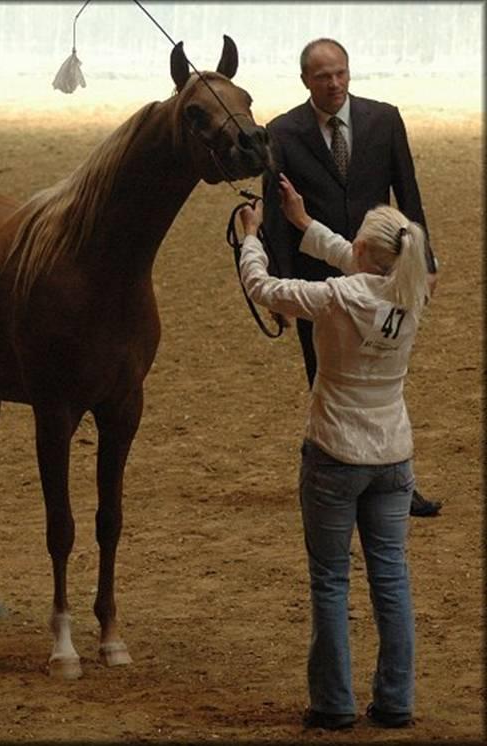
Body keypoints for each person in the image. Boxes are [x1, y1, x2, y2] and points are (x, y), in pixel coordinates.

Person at [238, 174, 436, 730]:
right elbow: (355, 260)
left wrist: (253, 236)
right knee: (391, 577)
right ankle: (395, 700)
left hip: (334, 450)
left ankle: (333, 702)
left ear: (368, 252)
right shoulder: (412, 290)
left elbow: (264, 287)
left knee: (330, 579)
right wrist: (302, 222)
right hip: (393, 454)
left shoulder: (336, 297)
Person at [262, 37, 441, 518]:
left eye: (340, 72)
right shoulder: (280, 132)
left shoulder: (385, 119)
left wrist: (427, 262)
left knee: (386, 379)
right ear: (305, 80)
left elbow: (410, 196)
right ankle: (330, 471)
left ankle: (399, 483)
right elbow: (276, 222)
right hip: (317, 281)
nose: (334, 83)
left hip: (385, 268)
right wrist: (278, 289)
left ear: (349, 71)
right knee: (324, 378)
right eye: (322, 76)